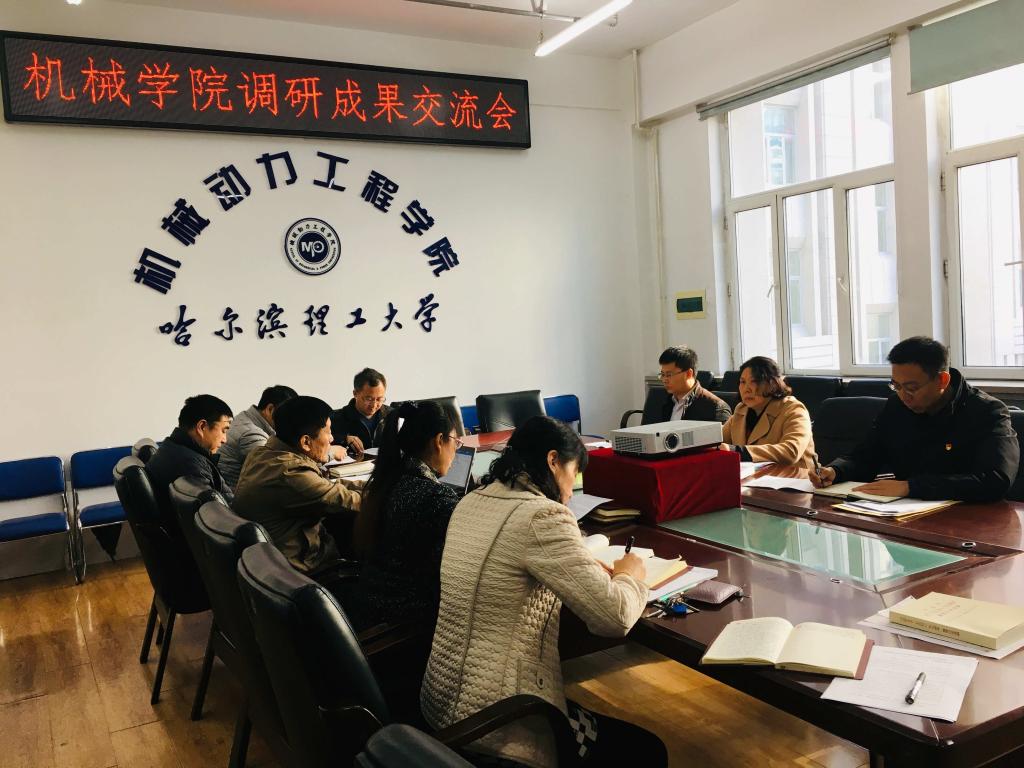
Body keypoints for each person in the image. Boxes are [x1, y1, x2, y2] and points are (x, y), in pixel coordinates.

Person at [421, 416, 667, 768]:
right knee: (646, 750)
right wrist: (631, 575)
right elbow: (614, 617)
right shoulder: (541, 515)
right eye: (573, 473)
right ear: (553, 460)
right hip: (500, 721)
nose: (569, 491)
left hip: (441, 704)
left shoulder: (471, 501)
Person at [811, 336, 1019, 501]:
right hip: (904, 513)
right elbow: (867, 456)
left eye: (911, 388)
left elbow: (996, 480)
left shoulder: (987, 412)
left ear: (942, 380)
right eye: (896, 386)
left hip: (969, 520)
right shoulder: (896, 406)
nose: (903, 396)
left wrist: (912, 487)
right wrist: (836, 471)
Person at [347, 401, 461, 634]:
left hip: (370, 602)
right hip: (406, 620)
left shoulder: (389, 479)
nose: (456, 451)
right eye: (455, 442)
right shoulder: (435, 497)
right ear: (439, 441)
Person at [233, 396, 363, 580]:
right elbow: (350, 502)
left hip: (269, 562)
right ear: (305, 442)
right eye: (328, 432)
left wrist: (372, 485)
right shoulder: (291, 473)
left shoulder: (265, 453)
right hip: (302, 572)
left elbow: (326, 485)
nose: (332, 439)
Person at [147, 395, 234, 525]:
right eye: (223, 430)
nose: (224, 440)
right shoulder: (192, 466)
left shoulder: (170, 449)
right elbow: (221, 520)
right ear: (202, 427)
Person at [720, 356, 817, 468]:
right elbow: (718, 440)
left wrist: (738, 451)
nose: (746, 389)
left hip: (798, 475)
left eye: (754, 381)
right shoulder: (741, 409)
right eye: (742, 382)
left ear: (773, 383)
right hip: (756, 475)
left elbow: (791, 451)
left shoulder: (794, 409)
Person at [218, 385, 297, 489]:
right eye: (288, 416)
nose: (291, 422)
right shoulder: (252, 434)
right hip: (233, 496)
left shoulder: (245, 417)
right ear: (270, 409)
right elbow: (276, 474)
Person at [643, 345, 732, 424]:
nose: (664, 380)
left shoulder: (716, 408)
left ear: (689, 374)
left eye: (669, 375)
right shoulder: (658, 400)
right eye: (662, 374)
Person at [331, 367, 390, 454]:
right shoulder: (335, 418)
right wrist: (344, 439)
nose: (374, 405)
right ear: (355, 393)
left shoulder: (392, 415)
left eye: (379, 399)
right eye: (369, 399)